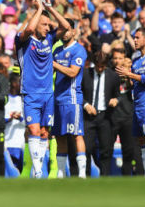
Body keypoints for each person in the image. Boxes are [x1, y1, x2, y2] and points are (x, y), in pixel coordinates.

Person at [15, 0, 71, 178]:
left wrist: (50, 6)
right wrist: (39, 9)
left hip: (48, 93)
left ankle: (41, 168)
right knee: (32, 129)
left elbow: (66, 27)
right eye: (44, 24)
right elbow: (29, 28)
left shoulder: (50, 39)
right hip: (30, 93)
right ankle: (37, 171)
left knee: (44, 132)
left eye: (48, 25)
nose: (48, 27)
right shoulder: (23, 40)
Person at [115, 27, 145, 178]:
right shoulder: (136, 62)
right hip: (138, 104)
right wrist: (126, 78)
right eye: (134, 37)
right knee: (141, 141)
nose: (134, 40)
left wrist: (129, 74)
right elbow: (135, 84)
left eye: (137, 37)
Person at [52, 19, 88, 178]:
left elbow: (73, 72)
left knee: (76, 134)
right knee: (60, 136)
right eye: (61, 30)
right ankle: (60, 172)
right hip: (57, 99)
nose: (64, 33)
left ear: (73, 31)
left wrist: (53, 64)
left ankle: (81, 173)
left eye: (67, 30)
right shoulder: (57, 50)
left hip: (72, 99)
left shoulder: (79, 50)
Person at [82, 51, 119, 176]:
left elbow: (117, 94)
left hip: (106, 117)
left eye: (102, 66)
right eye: (97, 65)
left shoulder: (113, 76)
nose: (99, 68)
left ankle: (105, 178)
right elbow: (78, 93)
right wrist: (86, 105)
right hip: (88, 117)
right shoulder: (85, 74)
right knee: (86, 149)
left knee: (106, 150)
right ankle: (85, 176)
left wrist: (115, 100)